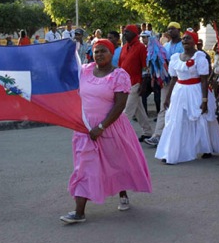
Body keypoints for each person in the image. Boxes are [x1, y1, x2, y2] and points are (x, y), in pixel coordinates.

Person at [60, 39, 152, 224]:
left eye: (103, 51)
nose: (99, 54)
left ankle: (123, 194)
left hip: (110, 127)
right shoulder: (85, 71)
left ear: (111, 54)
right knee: (84, 168)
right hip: (86, 129)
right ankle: (79, 212)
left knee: (117, 163)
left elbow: (120, 105)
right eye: (96, 51)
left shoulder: (119, 75)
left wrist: (101, 127)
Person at [154, 31, 219, 164]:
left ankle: (206, 148)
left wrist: (204, 100)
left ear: (194, 42)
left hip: (196, 91)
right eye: (184, 38)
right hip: (179, 92)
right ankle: (171, 151)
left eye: (188, 38)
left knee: (200, 118)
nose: (185, 40)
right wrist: (168, 97)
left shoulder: (200, 57)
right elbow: (174, 79)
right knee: (176, 120)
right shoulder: (176, 58)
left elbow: (204, 80)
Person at [144, 22, 184, 146]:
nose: (170, 31)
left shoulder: (183, 45)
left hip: (182, 82)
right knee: (164, 107)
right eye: (168, 29)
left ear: (178, 30)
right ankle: (157, 135)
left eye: (173, 29)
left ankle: (179, 137)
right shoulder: (166, 46)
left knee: (180, 109)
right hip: (167, 81)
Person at [119, 25, 153, 141]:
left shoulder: (141, 47)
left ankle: (120, 135)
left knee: (127, 112)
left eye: (127, 32)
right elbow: (120, 65)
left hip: (135, 82)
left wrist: (144, 84)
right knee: (139, 110)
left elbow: (145, 67)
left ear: (134, 34)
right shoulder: (124, 48)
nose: (125, 34)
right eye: (124, 32)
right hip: (124, 84)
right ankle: (148, 131)